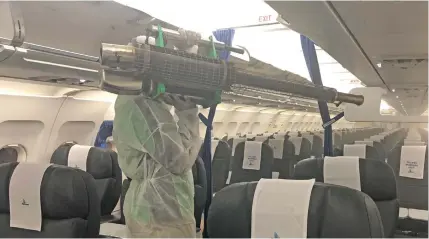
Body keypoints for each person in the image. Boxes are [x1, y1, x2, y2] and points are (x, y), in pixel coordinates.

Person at [113, 93, 201, 238]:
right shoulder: (141, 104)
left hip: (155, 207)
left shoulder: (137, 103)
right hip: (160, 209)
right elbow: (178, 160)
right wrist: (188, 114)